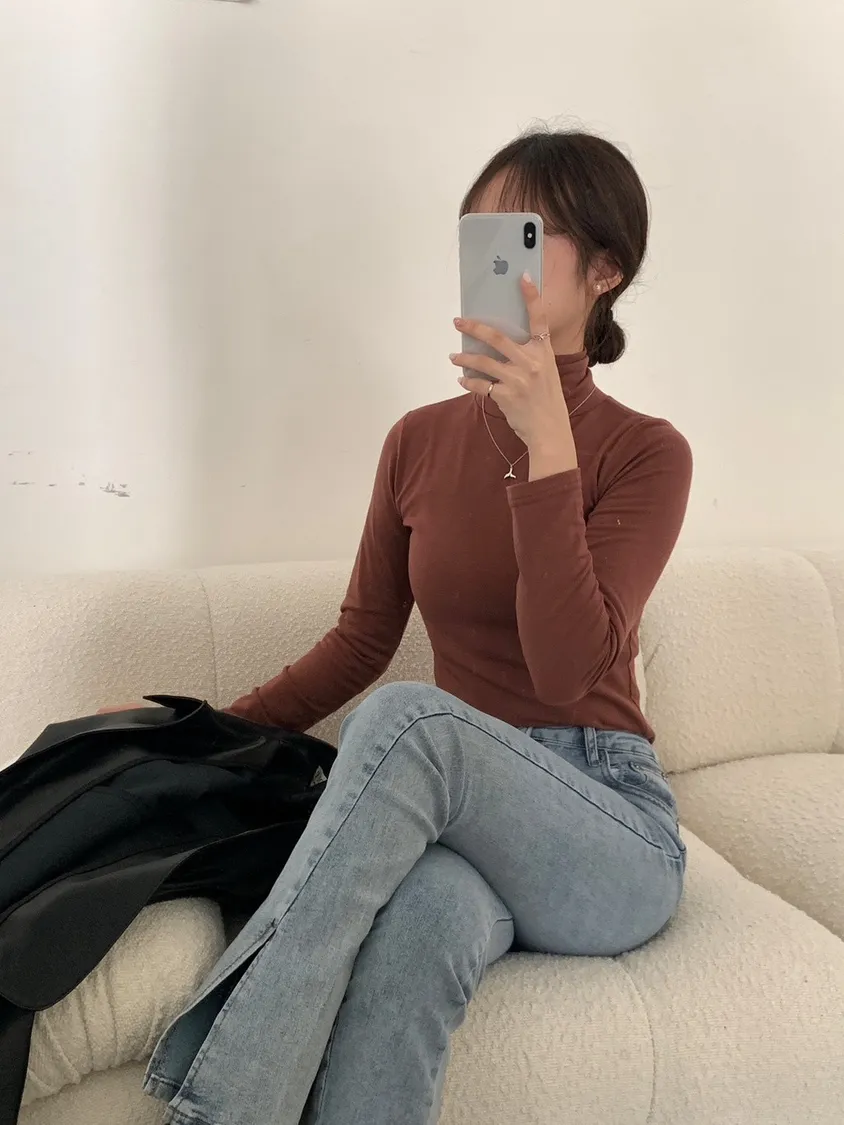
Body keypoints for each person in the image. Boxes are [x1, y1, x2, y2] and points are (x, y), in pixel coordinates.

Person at [118, 128, 693, 1125]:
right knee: (420, 926)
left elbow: (566, 671)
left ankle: (220, 1110)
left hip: (604, 824)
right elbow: (359, 642)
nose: (494, 257)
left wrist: (546, 451)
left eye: (525, 234)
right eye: (480, 234)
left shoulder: (646, 452)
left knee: (407, 720)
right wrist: (194, 733)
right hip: (454, 817)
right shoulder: (417, 442)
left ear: (606, 271)